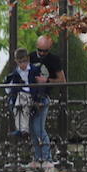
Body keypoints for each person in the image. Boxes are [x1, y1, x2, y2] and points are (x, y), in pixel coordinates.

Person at [28, 34, 65, 164]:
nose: (42, 53)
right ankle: (38, 158)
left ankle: (47, 158)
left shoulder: (54, 60)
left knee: (39, 128)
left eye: (45, 51)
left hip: (43, 97)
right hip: (31, 97)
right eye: (40, 50)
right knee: (32, 129)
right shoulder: (31, 57)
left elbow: (62, 80)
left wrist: (47, 80)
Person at [3, 48, 38, 139]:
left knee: (22, 107)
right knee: (18, 109)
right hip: (20, 96)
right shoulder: (15, 73)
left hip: (30, 96)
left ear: (28, 59)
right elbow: (9, 89)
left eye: (24, 61)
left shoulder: (34, 70)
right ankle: (22, 130)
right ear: (16, 61)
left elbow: (39, 85)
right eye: (20, 62)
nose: (23, 64)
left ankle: (23, 130)